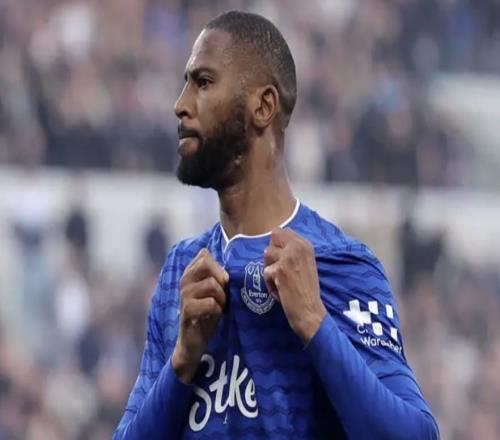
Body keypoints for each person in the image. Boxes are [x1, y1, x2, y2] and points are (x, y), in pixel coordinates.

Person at [114, 10, 439, 439]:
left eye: (203, 82)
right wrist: (181, 363)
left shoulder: (339, 264)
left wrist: (315, 323)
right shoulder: (181, 270)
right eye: (186, 83)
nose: (181, 103)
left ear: (263, 107)